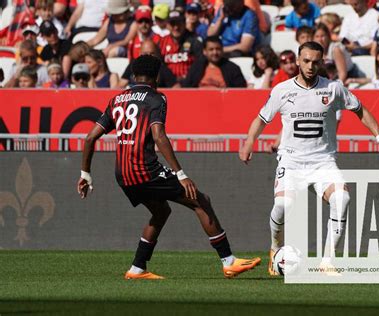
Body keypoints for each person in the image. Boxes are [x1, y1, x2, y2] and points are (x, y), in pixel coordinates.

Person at [77, 54, 261, 280]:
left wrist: (86, 174)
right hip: (145, 170)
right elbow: (159, 136)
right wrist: (181, 174)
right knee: (201, 201)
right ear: (157, 76)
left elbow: (89, 138)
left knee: (161, 211)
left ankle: (137, 268)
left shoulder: (117, 99)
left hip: (122, 174)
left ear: (133, 75)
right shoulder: (157, 98)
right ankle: (229, 261)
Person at [239, 41, 379, 275]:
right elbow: (261, 119)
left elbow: (361, 110)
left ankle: (327, 262)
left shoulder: (333, 89)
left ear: (321, 62)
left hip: (323, 162)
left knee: (342, 199)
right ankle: (275, 248)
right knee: (283, 206)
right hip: (291, 162)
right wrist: (249, 142)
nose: (311, 66)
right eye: (306, 61)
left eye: (315, 61)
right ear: (297, 61)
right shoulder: (282, 90)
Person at [181, 36, 247, 88]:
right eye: (211, 49)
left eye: (218, 49)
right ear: (204, 51)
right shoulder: (196, 67)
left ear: (222, 50)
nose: (215, 52)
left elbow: (240, 91)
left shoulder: (233, 68)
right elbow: (187, 88)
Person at [158, 10, 203, 80]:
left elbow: (200, 64)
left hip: (189, 84)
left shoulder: (194, 41)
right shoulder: (161, 42)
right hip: (167, 84)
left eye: (179, 23)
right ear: (167, 25)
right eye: (173, 24)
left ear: (184, 24)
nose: (176, 27)